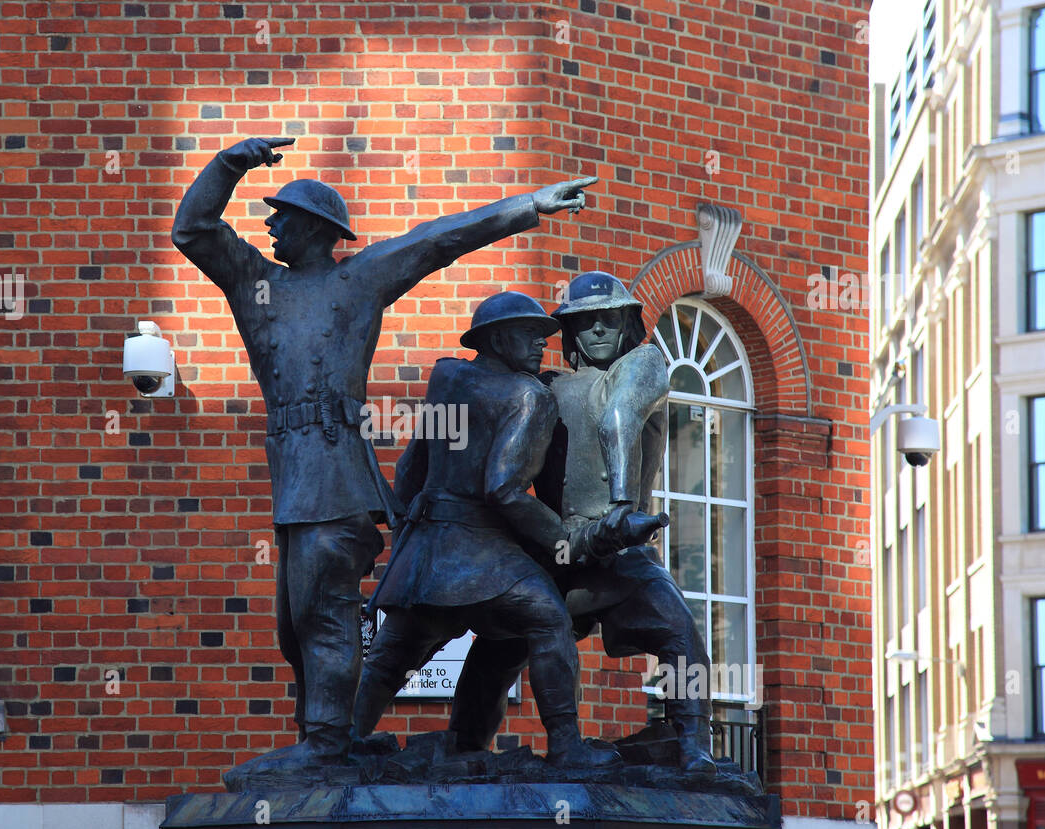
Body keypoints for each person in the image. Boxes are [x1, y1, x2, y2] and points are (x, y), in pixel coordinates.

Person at [171, 136, 595, 772]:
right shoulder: (255, 282)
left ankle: (322, 748)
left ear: (315, 229)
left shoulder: (358, 280)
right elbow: (193, 229)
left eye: (280, 215)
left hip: (337, 480)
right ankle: (329, 742)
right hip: (293, 481)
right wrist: (233, 162)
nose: (269, 224)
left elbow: (438, 238)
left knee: (324, 618)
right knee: (295, 630)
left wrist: (528, 206)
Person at [352, 292, 667, 768]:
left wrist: (403, 517)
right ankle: (566, 745)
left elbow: (414, 460)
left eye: (545, 336)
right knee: (547, 618)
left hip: (426, 546)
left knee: (395, 651)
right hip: (481, 552)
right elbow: (505, 489)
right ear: (498, 338)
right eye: (530, 335)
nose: (543, 345)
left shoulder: (446, 376)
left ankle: (340, 741)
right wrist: (564, 541)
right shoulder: (530, 396)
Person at [540, 270, 717, 776]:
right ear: (569, 334)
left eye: (608, 319)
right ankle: (468, 739)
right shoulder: (547, 386)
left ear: (626, 325)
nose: (597, 329)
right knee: (509, 645)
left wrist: (620, 504)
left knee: (680, 636)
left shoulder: (643, 363)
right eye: (584, 322)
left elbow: (621, 415)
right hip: (572, 547)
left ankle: (692, 744)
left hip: (609, 547)